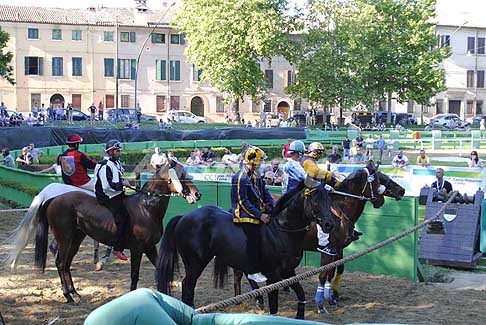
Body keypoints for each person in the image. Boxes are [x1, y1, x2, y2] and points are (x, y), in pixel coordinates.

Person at [231, 146, 274, 283]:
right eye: (260, 160)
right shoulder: (240, 177)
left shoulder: (255, 174)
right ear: (252, 161)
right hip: (243, 213)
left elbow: (264, 191)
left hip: (256, 210)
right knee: (254, 237)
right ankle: (252, 271)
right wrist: (260, 215)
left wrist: (271, 205)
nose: (261, 163)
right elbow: (242, 202)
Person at [94, 140, 131, 261]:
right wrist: (122, 184)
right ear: (110, 152)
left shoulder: (115, 163)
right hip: (107, 196)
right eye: (117, 151)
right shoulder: (105, 165)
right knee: (123, 217)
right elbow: (107, 186)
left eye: (119, 150)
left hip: (116, 193)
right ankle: (117, 248)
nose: (119, 153)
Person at [301, 142, 338, 256]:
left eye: (321, 153)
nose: (319, 155)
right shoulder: (307, 161)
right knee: (322, 214)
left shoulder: (312, 161)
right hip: (304, 192)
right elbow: (314, 172)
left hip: (312, 190)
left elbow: (316, 180)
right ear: (312, 150)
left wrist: (329, 185)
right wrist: (329, 174)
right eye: (317, 152)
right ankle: (323, 244)